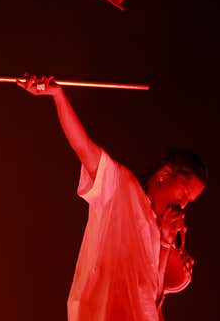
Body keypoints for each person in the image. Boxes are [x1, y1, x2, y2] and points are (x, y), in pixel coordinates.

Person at [17, 75, 207, 321]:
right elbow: (84, 148)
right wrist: (58, 96)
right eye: (183, 191)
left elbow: (153, 301)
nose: (182, 204)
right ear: (165, 174)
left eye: (189, 201)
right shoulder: (121, 189)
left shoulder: (155, 231)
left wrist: (166, 242)